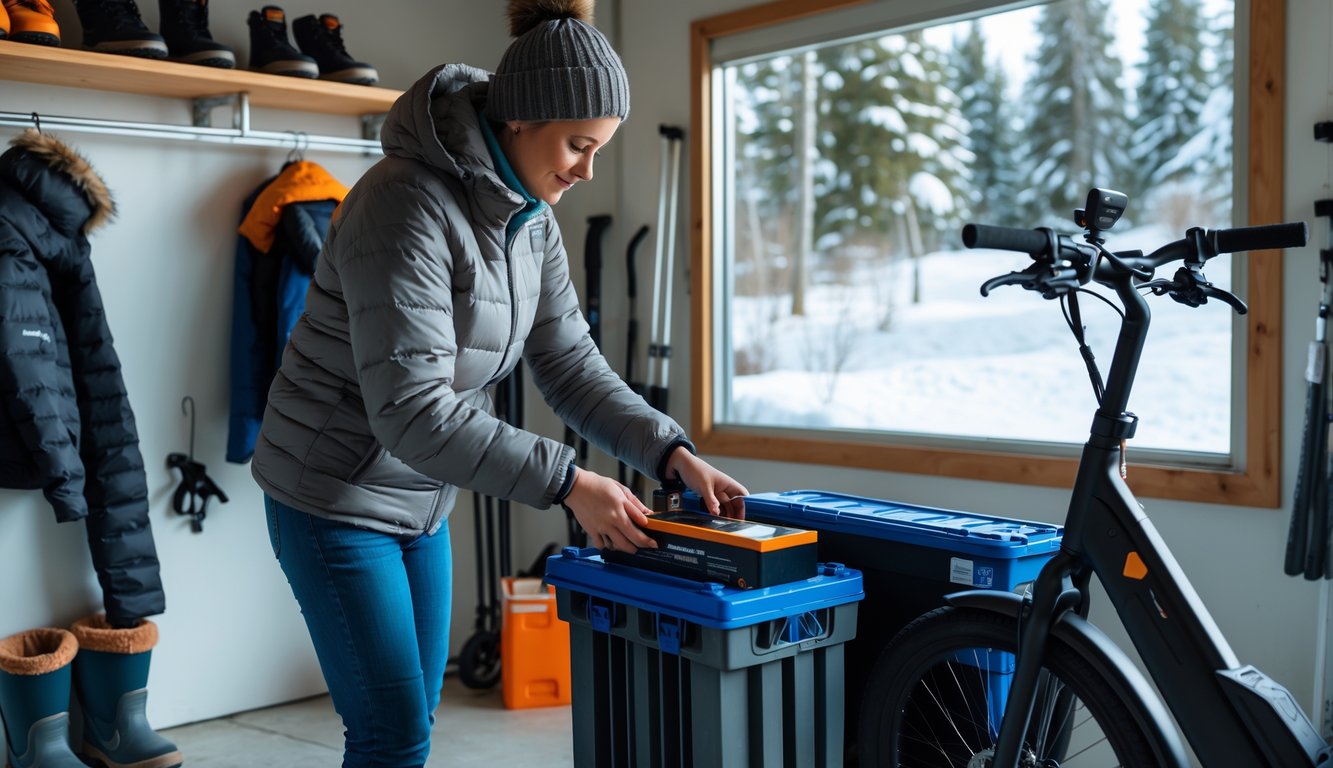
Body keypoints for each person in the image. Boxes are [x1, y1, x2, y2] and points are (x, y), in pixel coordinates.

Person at [248, 0, 748, 764]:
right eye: (579, 145)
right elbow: (412, 411)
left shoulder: (529, 219)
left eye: (598, 151)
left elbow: (570, 364)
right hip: (333, 494)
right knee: (391, 733)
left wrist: (669, 452)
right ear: (521, 119)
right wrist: (570, 483)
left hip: (420, 494)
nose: (586, 170)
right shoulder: (402, 206)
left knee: (414, 722)